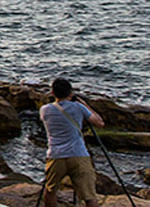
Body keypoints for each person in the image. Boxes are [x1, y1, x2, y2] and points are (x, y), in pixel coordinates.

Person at [39, 78, 105, 207]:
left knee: (50, 191)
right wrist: (84, 104)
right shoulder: (78, 107)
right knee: (89, 196)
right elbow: (99, 122)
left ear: (52, 93)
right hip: (78, 154)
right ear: (70, 93)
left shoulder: (44, 110)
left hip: (55, 155)